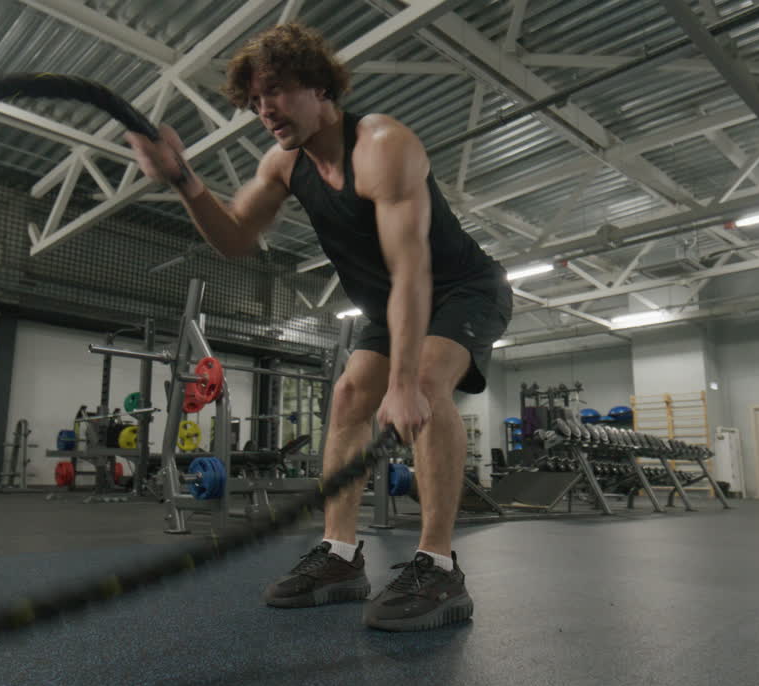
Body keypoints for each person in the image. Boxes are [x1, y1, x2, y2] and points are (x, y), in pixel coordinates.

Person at [126, 23, 512, 632]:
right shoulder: (283, 165)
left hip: (460, 287)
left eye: (275, 91)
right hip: (392, 302)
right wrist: (183, 179)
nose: (265, 111)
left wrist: (406, 380)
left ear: (319, 85)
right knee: (349, 396)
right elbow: (234, 239)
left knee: (430, 387)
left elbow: (412, 269)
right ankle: (339, 557)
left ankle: (439, 568)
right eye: (255, 102)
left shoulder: (382, 144)